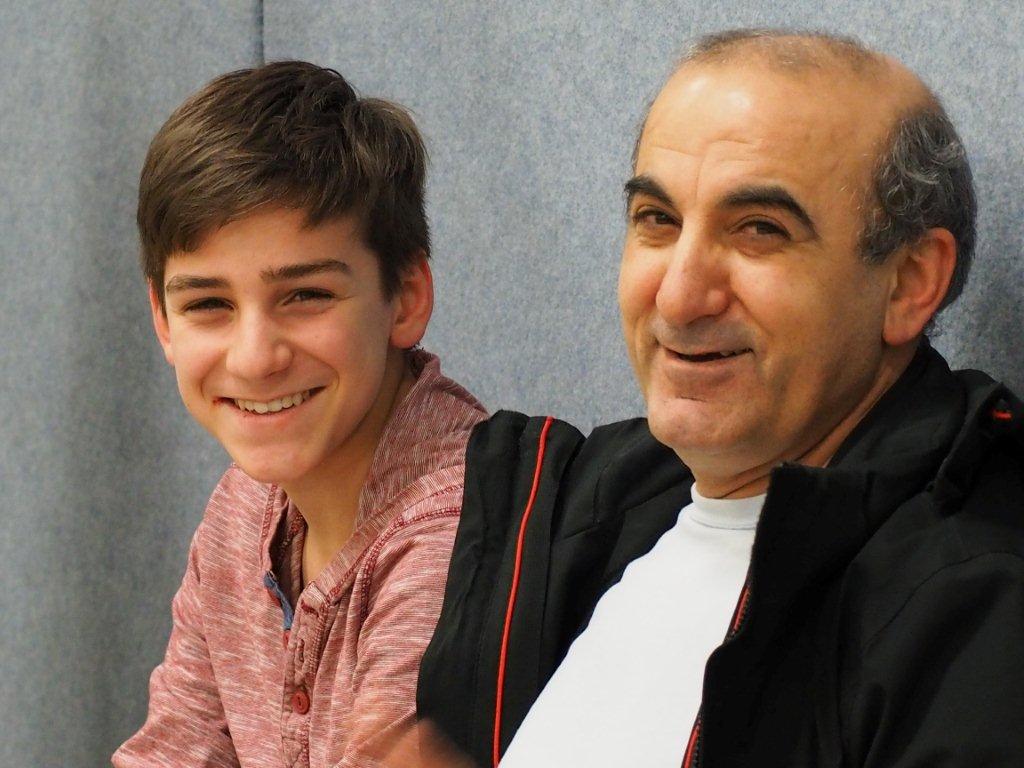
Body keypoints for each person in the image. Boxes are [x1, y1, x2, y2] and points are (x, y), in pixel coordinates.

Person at [416, 30, 1024, 767]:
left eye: (759, 230)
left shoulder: (975, 610)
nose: (678, 296)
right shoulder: (576, 515)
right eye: (658, 221)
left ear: (908, 282)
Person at [113, 61, 487, 767]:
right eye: (208, 304)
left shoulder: (458, 528)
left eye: (306, 296)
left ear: (406, 297)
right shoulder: (242, 508)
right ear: (162, 320)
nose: (255, 358)